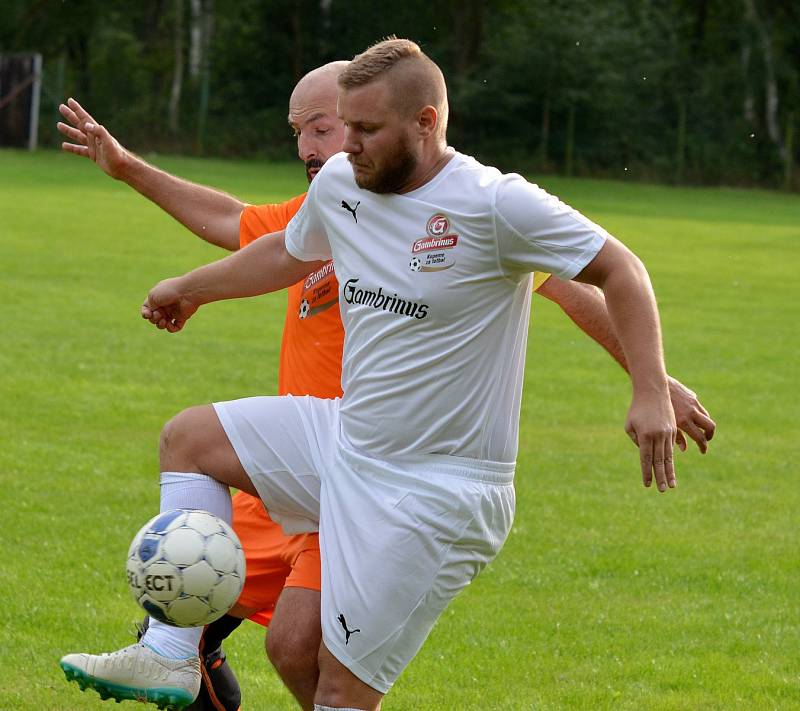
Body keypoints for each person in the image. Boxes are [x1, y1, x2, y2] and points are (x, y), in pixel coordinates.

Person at [59, 41, 715, 710]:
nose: (343, 145)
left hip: (436, 490)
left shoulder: (493, 205)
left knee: (339, 690)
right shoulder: (344, 185)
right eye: (330, 127)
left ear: (425, 122)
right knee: (189, 438)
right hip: (348, 443)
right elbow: (282, 253)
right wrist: (189, 287)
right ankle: (170, 655)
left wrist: (651, 385)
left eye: (359, 129)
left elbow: (618, 271)